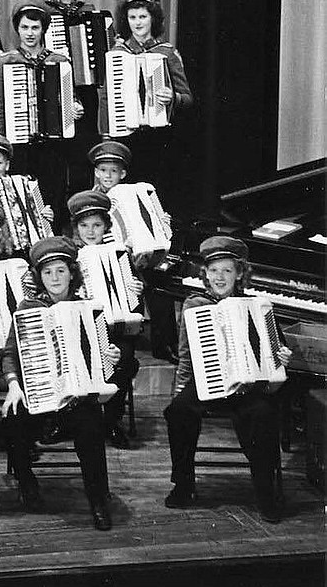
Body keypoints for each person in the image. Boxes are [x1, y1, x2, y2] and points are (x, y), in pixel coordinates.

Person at [163, 236, 291, 522]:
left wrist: (280, 366)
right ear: (205, 274)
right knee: (178, 410)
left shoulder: (257, 307)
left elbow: (273, 364)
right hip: (207, 381)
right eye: (214, 270)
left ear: (239, 274)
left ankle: (265, 492)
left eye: (227, 271)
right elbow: (185, 354)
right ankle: (184, 484)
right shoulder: (195, 305)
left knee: (262, 414)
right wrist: (180, 389)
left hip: (249, 387)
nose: (220, 277)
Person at [0, 237, 117, 530]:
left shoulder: (89, 309)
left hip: (77, 396)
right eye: (47, 272)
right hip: (38, 391)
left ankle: (98, 499)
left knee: (91, 426)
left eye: (60, 271)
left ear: (71, 274)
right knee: (13, 416)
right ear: (39, 277)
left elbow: (102, 361)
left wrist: (110, 356)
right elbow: (10, 354)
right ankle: (27, 483)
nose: (54, 278)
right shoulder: (27, 308)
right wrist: (14, 385)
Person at [0, 0, 83, 228]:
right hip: (19, 146)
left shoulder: (59, 61)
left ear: (43, 29)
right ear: (17, 29)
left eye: (35, 27)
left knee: (53, 199)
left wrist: (76, 108)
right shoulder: (6, 62)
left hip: (53, 147)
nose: (30, 33)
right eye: (24, 27)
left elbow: (70, 99)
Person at [87, 139, 179, 363]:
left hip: (137, 255)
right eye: (102, 171)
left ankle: (164, 343)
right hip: (107, 259)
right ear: (96, 172)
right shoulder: (90, 199)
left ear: (123, 174)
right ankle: (125, 336)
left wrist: (162, 222)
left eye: (114, 171)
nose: (108, 176)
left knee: (160, 278)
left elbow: (152, 224)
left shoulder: (134, 193)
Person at [109, 0, 195, 214]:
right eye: (132, 17)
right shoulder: (118, 53)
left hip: (159, 138)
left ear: (153, 19)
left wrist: (172, 97)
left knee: (157, 193)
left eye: (143, 17)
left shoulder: (166, 52)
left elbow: (188, 99)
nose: (137, 23)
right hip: (127, 135)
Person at [67, 191, 142, 448]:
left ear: (106, 227)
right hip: (78, 327)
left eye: (97, 225)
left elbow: (133, 303)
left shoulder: (119, 255)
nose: (90, 231)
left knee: (126, 360)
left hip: (114, 329)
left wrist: (135, 291)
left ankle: (111, 421)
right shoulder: (69, 256)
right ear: (76, 228)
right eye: (84, 225)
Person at [35, 0, 104, 193]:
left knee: (83, 152)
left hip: (85, 90)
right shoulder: (41, 12)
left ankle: (79, 208)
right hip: (53, 89)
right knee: (55, 154)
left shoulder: (87, 10)